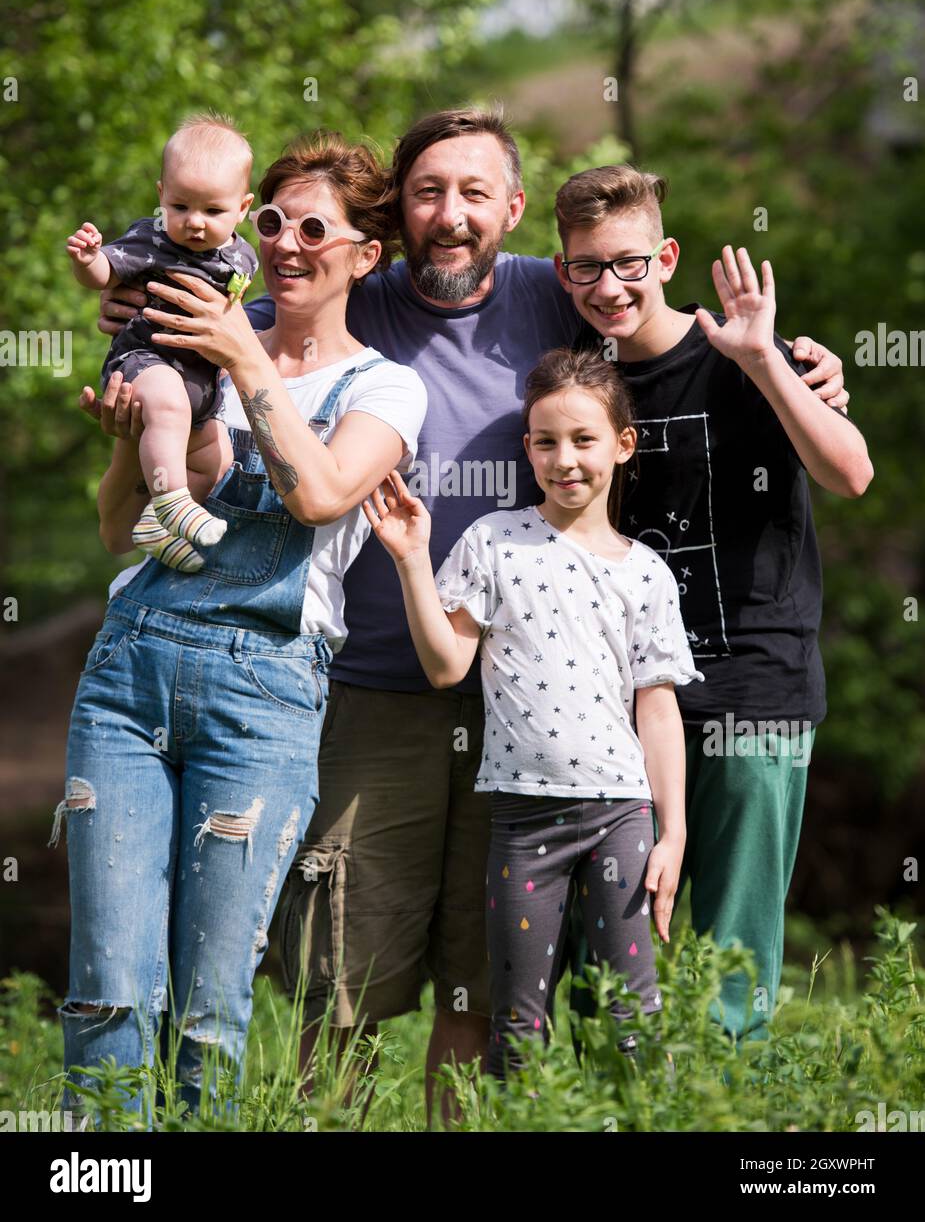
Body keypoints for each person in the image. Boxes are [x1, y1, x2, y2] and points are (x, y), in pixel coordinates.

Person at [96, 107, 851, 1117]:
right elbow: (244, 253)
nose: (450, 217)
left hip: (528, 704)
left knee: (488, 982)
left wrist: (799, 366)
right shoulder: (356, 284)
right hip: (369, 689)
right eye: (426, 193)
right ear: (392, 219)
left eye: (474, 195)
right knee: (342, 975)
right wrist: (134, 308)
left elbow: (654, 306)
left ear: (514, 210)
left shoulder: (561, 289)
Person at [55, 130, 427, 1120]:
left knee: (211, 1008)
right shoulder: (187, 322)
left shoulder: (386, 386)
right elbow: (111, 527)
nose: (287, 244)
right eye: (271, 221)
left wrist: (242, 361)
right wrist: (129, 446)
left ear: (363, 253)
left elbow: (319, 494)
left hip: (261, 697)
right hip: (130, 676)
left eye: (316, 228)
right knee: (106, 990)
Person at [557, 163, 873, 1040]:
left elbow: (850, 474)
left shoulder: (743, 354)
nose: (609, 286)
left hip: (753, 693)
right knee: (610, 963)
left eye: (627, 263)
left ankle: (732, 1123)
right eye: (586, 266)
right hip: (617, 709)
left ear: (665, 256)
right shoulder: (578, 383)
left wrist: (766, 360)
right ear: (562, 273)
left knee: (736, 970)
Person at [363, 347, 703, 1076]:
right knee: (515, 1021)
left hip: (622, 816)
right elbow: (444, 664)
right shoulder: (493, 541)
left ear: (622, 444)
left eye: (583, 440)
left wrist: (671, 831)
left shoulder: (644, 571)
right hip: (521, 820)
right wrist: (411, 558)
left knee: (629, 1012)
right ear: (527, 448)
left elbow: (658, 710)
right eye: (546, 441)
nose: (564, 459)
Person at [66, 113, 259, 572]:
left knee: (216, 459)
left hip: (203, 384)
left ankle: (157, 524)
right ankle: (173, 501)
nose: (194, 223)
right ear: (160, 197)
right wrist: (88, 259)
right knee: (168, 408)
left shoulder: (242, 256)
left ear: (243, 208)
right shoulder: (151, 240)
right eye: (180, 207)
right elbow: (104, 276)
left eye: (212, 211)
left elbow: (235, 317)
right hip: (147, 361)